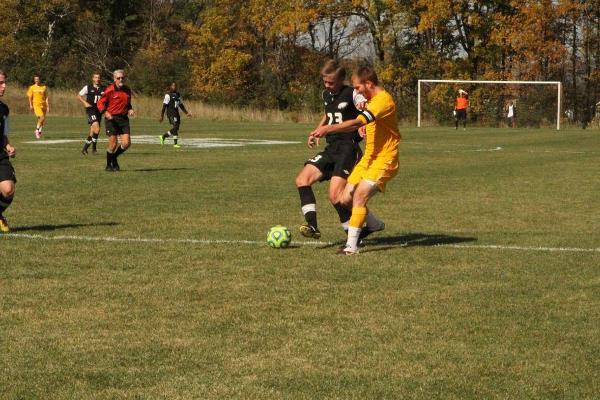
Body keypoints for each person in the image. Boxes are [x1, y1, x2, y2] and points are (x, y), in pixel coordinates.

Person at [310, 66, 399, 255]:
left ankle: (351, 247)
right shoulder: (371, 100)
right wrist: (365, 131)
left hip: (385, 158)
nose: (356, 92)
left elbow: (359, 121)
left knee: (359, 196)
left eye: (358, 88)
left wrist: (328, 129)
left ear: (369, 84)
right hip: (368, 157)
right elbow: (368, 124)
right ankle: (374, 225)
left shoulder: (383, 101)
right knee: (344, 198)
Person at [295, 60, 370, 240]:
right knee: (302, 179)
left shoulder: (352, 93)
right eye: (325, 81)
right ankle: (312, 226)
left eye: (331, 82)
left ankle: (354, 233)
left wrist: (363, 111)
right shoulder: (326, 94)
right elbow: (328, 114)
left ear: (341, 80)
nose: (327, 85)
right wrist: (316, 132)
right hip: (332, 147)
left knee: (335, 196)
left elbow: (365, 107)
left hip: (348, 148)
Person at [97, 69, 135, 171]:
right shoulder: (110, 90)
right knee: (113, 144)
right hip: (111, 119)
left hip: (123, 119)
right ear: (114, 79)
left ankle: (113, 158)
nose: (120, 79)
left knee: (126, 143)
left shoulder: (127, 90)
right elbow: (100, 103)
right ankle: (108, 165)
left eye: (122, 78)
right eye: (118, 78)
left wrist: (130, 109)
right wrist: (105, 112)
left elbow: (128, 104)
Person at [0, 70, 17, 233]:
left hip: (0, 155)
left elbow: (4, 135)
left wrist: (9, 146)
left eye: (4, 82)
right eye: (0, 83)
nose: (4, 86)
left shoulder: (4, 109)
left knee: (8, 189)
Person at [77, 72, 106, 154]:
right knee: (97, 128)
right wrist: (84, 102)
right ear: (93, 79)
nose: (97, 79)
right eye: (96, 77)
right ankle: (94, 149)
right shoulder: (88, 87)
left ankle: (85, 149)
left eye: (99, 77)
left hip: (99, 111)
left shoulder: (104, 88)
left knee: (93, 131)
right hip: (90, 110)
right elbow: (78, 96)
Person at [159, 82, 192, 148]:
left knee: (176, 128)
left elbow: (180, 105)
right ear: (170, 86)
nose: (175, 87)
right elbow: (164, 106)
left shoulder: (178, 94)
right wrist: (162, 116)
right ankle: (169, 140)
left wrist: (186, 113)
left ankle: (167, 139)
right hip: (170, 113)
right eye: (173, 86)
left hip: (176, 113)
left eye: (175, 86)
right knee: (176, 126)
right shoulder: (168, 95)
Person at [26, 74, 50, 139]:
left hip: (43, 105)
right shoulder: (32, 87)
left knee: (42, 119)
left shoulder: (44, 87)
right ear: (34, 80)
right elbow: (30, 97)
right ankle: (36, 130)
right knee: (42, 117)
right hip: (36, 105)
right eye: (35, 79)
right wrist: (30, 105)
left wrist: (48, 106)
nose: (36, 80)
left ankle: (39, 131)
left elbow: (46, 97)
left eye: (37, 79)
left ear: (39, 79)